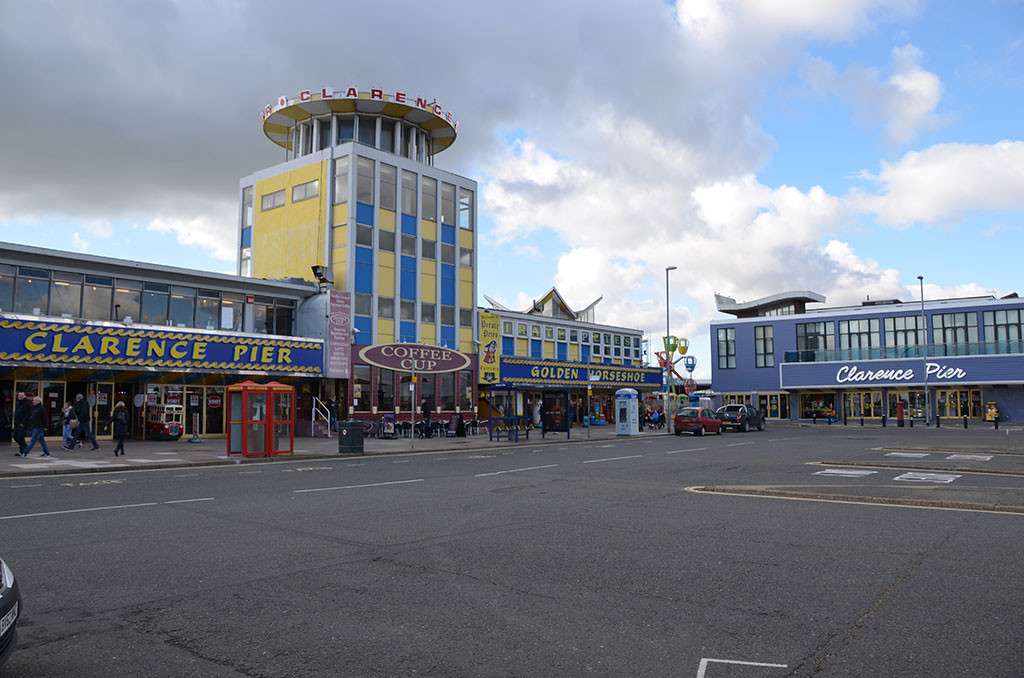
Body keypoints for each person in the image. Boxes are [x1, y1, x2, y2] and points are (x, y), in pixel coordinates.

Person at [12, 391, 30, 456]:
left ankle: (22, 450)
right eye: (19, 395)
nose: (19, 396)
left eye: (21, 395)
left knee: (20, 437)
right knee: (15, 437)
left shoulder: (27, 403)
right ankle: (24, 447)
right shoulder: (18, 403)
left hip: (22, 424)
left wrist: (23, 423)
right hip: (16, 423)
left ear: (24, 396)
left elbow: (28, 414)